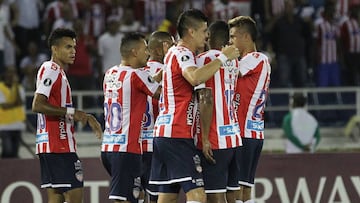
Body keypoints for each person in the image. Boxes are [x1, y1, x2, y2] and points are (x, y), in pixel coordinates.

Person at [150, 9, 239, 203]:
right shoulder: (183, 53)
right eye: (203, 30)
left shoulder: (178, 53)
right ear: (191, 31)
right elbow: (195, 77)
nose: (207, 35)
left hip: (164, 134)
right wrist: (223, 57)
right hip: (177, 134)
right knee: (198, 195)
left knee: (167, 197)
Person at [32, 28, 102, 203]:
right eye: (68, 47)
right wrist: (73, 113)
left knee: (56, 197)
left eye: (74, 47)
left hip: (51, 145)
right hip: (58, 145)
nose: (73, 52)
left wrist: (83, 116)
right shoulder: (51, 69)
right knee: (75, 197)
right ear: (55, 49)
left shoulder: (58, 72)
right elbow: (37, 104)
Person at [100, 32, 161, 203]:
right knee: (123, 199)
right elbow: (162, 94)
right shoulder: (137, 74)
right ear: (134, 52)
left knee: (137, 195)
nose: (148, 53)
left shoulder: (110, 73)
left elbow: (137, 89)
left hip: (108, 148)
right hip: (126, 149)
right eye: (144, 49)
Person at [194, 20, 242, 203]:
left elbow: (206, 98)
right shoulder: (234, 62)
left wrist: (205, 138)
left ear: (210, 37)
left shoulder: (206, 59)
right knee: (232, 194)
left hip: (215, 138)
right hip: (233, 135)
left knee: (214, 195)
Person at [228, 16, 271, 203]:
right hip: (252, 132)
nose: (230, 41)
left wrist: (219, 56)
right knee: (244, 190)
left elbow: (229, 70)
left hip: (245, 132)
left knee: (236, 189)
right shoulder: (256, 61)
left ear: (246, 37)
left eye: (233, 36)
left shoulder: (256, 58)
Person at [139, 31, 174, 203]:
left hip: (136, 144)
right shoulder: (169, 71)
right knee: (158, 196)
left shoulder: (136, 71)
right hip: (158, 143)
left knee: (137, 194)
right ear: (161, 49)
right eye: (172, 45)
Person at [0, 67, 25, 158]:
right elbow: (4, 106)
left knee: (14, 153)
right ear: (5, 75)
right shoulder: (0, 87)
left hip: (17, 124)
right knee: (7, 150)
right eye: (9, 73)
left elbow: (20, 102)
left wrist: (15, 84)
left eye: (13, 73)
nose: (11, 76)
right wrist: (15, 103)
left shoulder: (19, 88)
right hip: (4, 125)